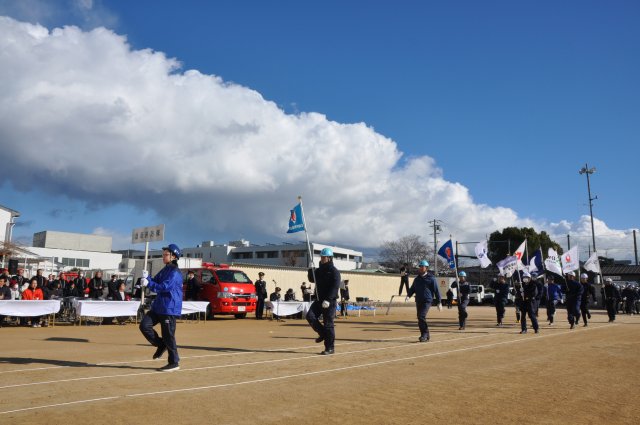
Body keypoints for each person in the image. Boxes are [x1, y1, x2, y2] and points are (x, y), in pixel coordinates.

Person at [139, 244, 183, 372]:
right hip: (158, 306)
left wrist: (149, 283)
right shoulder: (165, 269)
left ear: (174, 256)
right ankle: (161, 344)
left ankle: (174, 362)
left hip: (169, 307)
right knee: (144, 325)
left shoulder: (175, 273)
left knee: (168, 335)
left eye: (166, 255)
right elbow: (155, 281)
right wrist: (146, 277)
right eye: (163, 254)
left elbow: (164, 287)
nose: (163, 257)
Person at [306, 247, 341, 355]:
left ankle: (330, 347)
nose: (322, 258)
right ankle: (322, 333)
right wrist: (310, 269)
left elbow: (335, 287)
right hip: (318, 300)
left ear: (329, 258)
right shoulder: (319, 270)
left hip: (329, 302)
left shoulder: (334, 272)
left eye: (324, 257)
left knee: (328, 324)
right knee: (310, 316)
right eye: (321, 257)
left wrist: (328, 299)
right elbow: (312, 279)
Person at [407, 260, 441, 342]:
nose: (421, 268)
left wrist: (439, 302)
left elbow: (436, 290)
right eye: (420, 267)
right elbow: (412, 288)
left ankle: (424, 335)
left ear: (426, 268)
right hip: (418, 300)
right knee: (420, 318)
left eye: (423, 267)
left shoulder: (431, 278)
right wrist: (408, 295)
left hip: (427, 300)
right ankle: (426, 334)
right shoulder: (417, 279)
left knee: (421, 316)